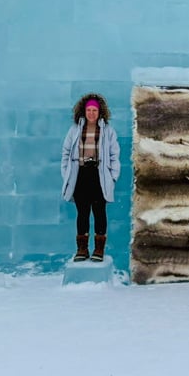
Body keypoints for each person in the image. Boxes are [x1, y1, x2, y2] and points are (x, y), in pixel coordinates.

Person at [62, 93, 121, 262]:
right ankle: (82, 249)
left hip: (99, 175)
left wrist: (113, 177)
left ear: (100, 111)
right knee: (82, 212)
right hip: (80, 175)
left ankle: (99, 249)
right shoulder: (75, 130)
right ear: (83, 111)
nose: (92, 113)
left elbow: (114, 156)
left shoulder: (108, 131)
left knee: (99, 212)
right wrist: (67, 173)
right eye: (89, 110)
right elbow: (66, 153)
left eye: (95, 110)